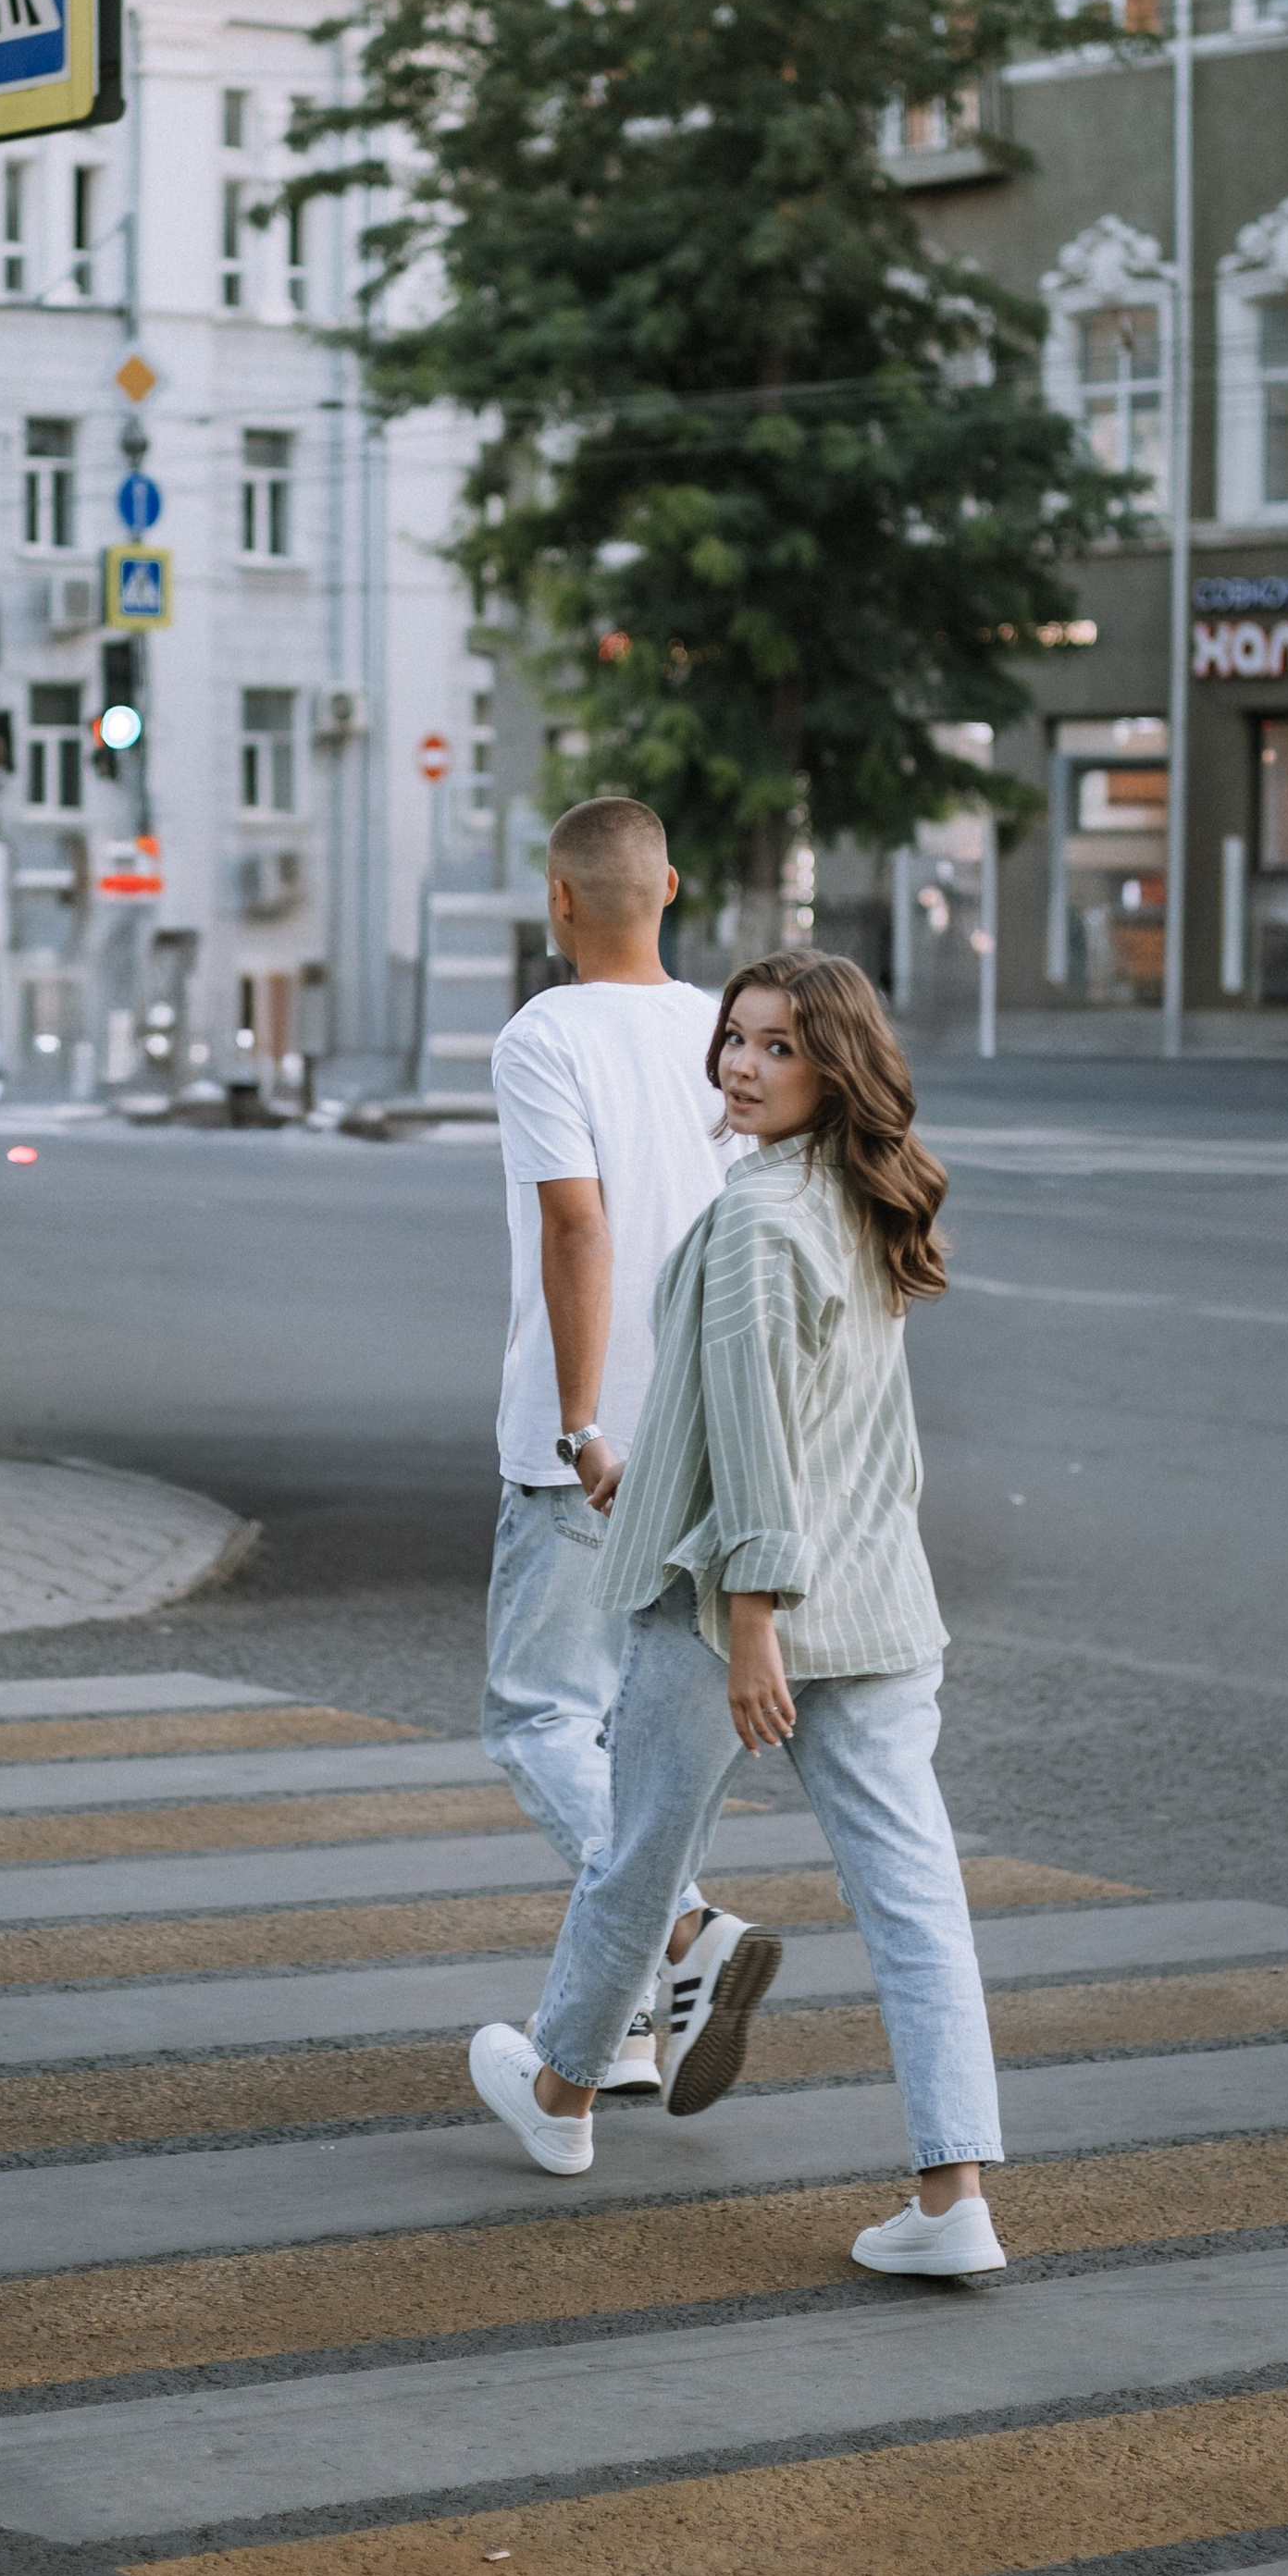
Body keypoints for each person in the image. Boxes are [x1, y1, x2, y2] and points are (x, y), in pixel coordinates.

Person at [469, 945, 1008, 2280]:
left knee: (638, 1858)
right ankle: (956, 2200)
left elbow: (765, 1446)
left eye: (778, 1047)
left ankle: (561, 2100)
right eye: (737, 1040)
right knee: (914, 1898)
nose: (743, 1068)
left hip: (731, 1612)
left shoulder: (755, 1223)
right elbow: (822, 1430)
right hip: (880, 1603)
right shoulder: (858, 1197)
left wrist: (755, 1621)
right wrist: (638, 1479)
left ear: (836, 1068)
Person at [484, 795, 742, 2094]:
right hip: (712, 1434)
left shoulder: (543, 1036)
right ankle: (624, 2033)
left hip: (589, 1449)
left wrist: (581, 1420)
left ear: (557, 899)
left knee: (539, 1716)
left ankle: (683, 1925)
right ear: (672, 888)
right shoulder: (725, 1034)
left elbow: (575, 1229)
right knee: (640, 1740)